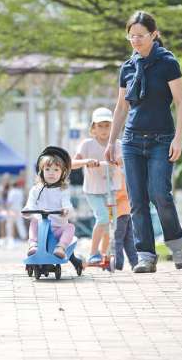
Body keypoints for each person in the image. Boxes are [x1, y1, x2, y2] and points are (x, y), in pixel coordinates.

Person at [104, 10, 182, 273]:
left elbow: (181, 103)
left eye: (141, 36)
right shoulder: (128, 67)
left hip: (162, 139)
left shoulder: (168, 63)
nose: (136, 41)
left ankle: (177, 246)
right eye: (131, 37)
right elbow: (121, 108)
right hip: (130, 140)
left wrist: (178, 139)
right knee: (137, 200)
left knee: (159, 194)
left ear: (154, 34)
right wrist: (111, 142)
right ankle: (145, 256)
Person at [72, 107, 120, 264]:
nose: (104, 129)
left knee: (110, 223)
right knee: (103, 217)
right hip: (93, 191)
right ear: (93, 127)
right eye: (100, 125)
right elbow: (72, 163)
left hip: (111, 190)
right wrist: (86, 161)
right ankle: (93, 253)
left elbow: (125, 160)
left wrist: (120, 161)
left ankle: (103, 253)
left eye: (107, 125)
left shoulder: (117, 144)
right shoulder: (87, 145)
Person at [22, 146, 83, 271]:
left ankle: (61, 247)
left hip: (58, 227)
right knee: (33, 222)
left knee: (70, 228)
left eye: (56, 170)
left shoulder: (63, 190)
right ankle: (33, 245)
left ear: (62, 173)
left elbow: (67, 204)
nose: (51, 173)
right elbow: (31, 204)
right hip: (41, 226)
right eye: (48, 169)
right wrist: (27, 210)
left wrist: (66, 210)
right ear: (41, 171)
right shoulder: (36, 190)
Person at [113, 147, 138, 270]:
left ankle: (118, 263)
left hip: (120, 211)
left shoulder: (117, 173)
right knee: (129, 239)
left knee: (117, 239)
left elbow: (121, 192)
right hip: (127, 210)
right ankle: (135, 262)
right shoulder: (125, 172)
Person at [6, 179, 27, 246]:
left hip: (12, 209)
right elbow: (23, 200)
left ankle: (10, 238)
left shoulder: (11, 192)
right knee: (20, 224)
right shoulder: (20, 192)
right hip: (19, 209)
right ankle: (24, 237)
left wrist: (7, 209)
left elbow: (10, 202)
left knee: (9, 225)